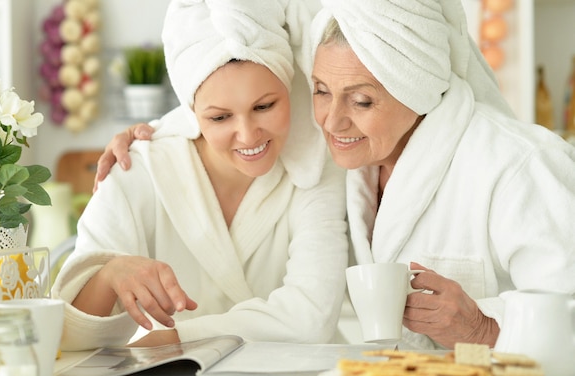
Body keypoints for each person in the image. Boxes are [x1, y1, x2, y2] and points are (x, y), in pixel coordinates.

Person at [98, 0, 575, 351]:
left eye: (362, 100)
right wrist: (156, 135)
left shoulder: (520, 166)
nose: (330, 121)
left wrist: (484, 330)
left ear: (420, 86)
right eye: (321, 92)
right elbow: (242, 94)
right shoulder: (356, 159)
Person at [52, 0, 348, 351]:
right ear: (191, 112)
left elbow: (311, 317)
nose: (248, 134)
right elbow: (69, 333)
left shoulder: (315, 171)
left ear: (290, 87)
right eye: (220, 118)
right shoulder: (140, 169)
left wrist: (177, 337)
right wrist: (108, 276)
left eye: (264, 106)